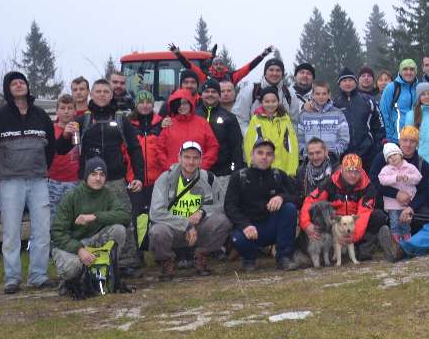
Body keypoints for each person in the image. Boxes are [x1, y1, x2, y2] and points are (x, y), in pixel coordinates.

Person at [0, 71, 62, 293]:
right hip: (10, 181)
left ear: (28, 87)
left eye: (22, 82)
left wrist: (42, 167)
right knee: (10, 231)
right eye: (14, 83)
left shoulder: (40, 115)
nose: (19, 85)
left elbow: (51, 147)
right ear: (8, 89)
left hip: (38, 180)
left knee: (42, 230)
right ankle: (12, 278)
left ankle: (38, 275)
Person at [77, 79, 146, 271]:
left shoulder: (121, 119)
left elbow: (135, 149)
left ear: (111, 94)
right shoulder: (82, 120)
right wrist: (66, 135)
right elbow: (64, 148)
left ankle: (127, 262)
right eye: (97, 91)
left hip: (116, 181)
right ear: (91, 94)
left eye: (105, 91)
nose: (101, 95)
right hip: (89, 184)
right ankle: (91, 260)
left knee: (124, 220)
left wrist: (138, 176)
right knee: (89, 223)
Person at [148, 140, 230, 279]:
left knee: (223, 221)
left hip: (198, 229)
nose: (191, 162)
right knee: (157, 231)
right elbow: (156, 212)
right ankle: (167, 261)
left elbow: (222, 205)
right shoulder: (165, 178)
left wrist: (202, 212)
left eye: (195, 158)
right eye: (187, 157)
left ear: (201, 160)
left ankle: (201, 255)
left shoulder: (209, 178)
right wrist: (186, 224)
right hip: (173, 228)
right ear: (179, 158)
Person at [49, 157, 131, 293]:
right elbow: (57, 233)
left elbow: (125, 216)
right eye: (93, 174)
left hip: (94, 241)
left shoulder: (108, 194)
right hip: (71, 245)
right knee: (72, 268)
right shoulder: (72, 197)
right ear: (86, 176)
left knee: (119, 230)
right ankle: (69, 281)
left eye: (102, 175)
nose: (98, 179)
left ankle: (107, 271)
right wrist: (79, 250)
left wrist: (94, 217)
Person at [302, 153, 393, 261]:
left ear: (361, 171)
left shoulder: (367, 187)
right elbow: (310, 201)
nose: (353, 175)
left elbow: (363, 214)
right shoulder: (330, 182)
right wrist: (306, 224)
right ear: (342, 170)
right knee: (318, 214)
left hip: (355, 226)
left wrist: (353, 236)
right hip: (335, 225)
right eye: (349, 171)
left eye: (356, 171)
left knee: (378, 216)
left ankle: (364, 247)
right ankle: (332, 249)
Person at [226, 138, 299, 271]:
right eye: (260, 153)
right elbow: (229, 206)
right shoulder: (238, 177)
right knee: (238, 238)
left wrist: (281, 197)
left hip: (271, 227)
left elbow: (297, 198)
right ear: (251, 155)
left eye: (269, 154)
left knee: (289, 209)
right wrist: (245, 225)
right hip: (248, 228)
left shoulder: (279, 175)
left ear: (273, 157)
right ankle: (248, 258)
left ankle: (284, 258)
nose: (264, 157)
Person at [368, 126, 429, 234]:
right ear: (399, 141)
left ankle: (411, 237)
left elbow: (424, 191)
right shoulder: (384, 157)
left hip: (411, 203)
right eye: (405, 140)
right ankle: (389, 236)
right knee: (379, 216)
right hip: (387, 202)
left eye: (412, 141)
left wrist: (411, 208)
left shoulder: (423, 165)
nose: (408, 144)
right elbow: (373, 180)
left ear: (417, 144)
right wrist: (396, 194)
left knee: (426, 216)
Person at [126, 89, 163, 252]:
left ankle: (155, 249)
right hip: (135, 179)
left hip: (157, 179)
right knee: (134, 217)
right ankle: (137, 251)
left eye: (148, 102)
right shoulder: (127, 124)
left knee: (156, 215)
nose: (145, 105)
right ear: (136, 104)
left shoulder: (161, 123)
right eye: (141, 102)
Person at [154, 89, 219, 176]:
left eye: (185, 103)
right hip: (174, 175)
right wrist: (169, 167)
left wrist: (201, 167)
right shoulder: (169, 124)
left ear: (190, 103)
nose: (182, 106)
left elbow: (213, 147)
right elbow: (159, 149)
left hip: (198, 176)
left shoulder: (202, 123)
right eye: (178, 104)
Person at [198, 79, 245, 192]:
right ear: (201, 94)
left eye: (214, 92)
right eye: (207, 91)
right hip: (195, 172)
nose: (210, 94)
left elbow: (236, 147)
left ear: (218, 95)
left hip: (222, 174)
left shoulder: (229, 117)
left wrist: (235, 172)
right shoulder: (193, 115)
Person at [335, 67, 385, 169]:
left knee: (367, 184)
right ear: (339, 84)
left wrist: (376, 149)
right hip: (343, 156)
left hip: (367, 155)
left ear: (356, 82)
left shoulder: (368, 101)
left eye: (350, 80)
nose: (348, 83)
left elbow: (380, 127)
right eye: (344, 81)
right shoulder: (334, 104)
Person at [243, 88, 299, 177]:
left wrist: (293, 169)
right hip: (262, 168)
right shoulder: (256, 119)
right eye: (267, 101)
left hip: (284, 168)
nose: (270, 104)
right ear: (261, 103)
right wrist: (252, 166)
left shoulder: (285, 118)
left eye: (274, 101)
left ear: (278, 101)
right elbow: (249, 144)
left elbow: (292, 144)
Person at [232, 56, 298, 128]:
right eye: (271, 70)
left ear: (282, 73)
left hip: (282, 138)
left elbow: (294, 122)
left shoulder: (289, 94)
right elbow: (240, 119)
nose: (274, 73)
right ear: (265, 73)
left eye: (278, 70)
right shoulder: (250, 91)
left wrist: (287, 138)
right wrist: (253, 137)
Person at [168, 42, 275, 86]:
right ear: (212, 66)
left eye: (221, 64)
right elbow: (190, 66)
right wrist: (178, 55)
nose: (218, 66)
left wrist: (262, 55)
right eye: (216, 64)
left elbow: (249, 67)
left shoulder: (232, 77)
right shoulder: (206, 77)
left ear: (224, 66)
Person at [295, 81, 351, 161]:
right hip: (310, 161)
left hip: (331, 161)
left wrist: (333, 153)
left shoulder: (338, 114)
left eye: (324, 94)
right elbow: (299, 139)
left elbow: (344, 139)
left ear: (329, 95)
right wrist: (307, 153)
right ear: (312, 95)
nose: (321, 97)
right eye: (317, 94)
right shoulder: (304, 115)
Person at [379, 142, 423, 242]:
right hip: (392, 203)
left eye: (395, 154)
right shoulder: (386, 170)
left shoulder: (409, 167)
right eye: (389, 157)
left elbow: (418, 177)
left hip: (406, 202)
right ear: (387, 160)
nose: (393, 158)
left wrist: (408, 178)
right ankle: (396, 240)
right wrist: (395, 178)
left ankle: (407, 238)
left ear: (400, 154)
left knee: (405, 222)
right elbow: (382, 180)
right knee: (394, 221)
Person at [48, 94, 82, 208]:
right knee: (53, 216)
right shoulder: (50, 129)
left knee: (72, 216)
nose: (66, 111)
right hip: (53, 181)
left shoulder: (80, 128)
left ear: (75, 111)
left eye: (70, 108)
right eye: (62, 108)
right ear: (57, 111)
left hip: (75, 181)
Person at [379, 59, 420, 143]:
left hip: (416, 139)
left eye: (412, 69)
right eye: (405, 69)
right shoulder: (392, 87)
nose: (408, 72)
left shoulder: (419, 88)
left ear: (416, 71)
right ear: (400, 71)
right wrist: (390, 136)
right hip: (396, 138)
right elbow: (384, 113)